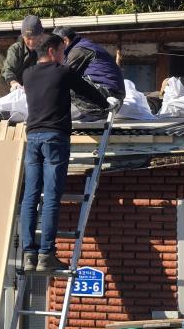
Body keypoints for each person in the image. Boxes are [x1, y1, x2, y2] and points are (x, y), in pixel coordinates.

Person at [21, 34, 119, 274]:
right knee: (51, 197)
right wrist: (108, 103)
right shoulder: (63, 72)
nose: (64, 57)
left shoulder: (27, 74)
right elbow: (88, 91)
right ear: (52, 51)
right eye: (61, 52)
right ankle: (46, 255)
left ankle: (29, 254)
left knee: (31, 197)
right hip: (55, 139)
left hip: (32, 138)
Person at [52, 26, 125, 117]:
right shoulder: (85, 45)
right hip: (111, 97)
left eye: (56, 46)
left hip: (108, 97)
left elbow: (61, 75)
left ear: (65, 40)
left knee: (63, 84)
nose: (56, 50)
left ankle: (52, 115)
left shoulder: (79, 50)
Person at [0, 14, 46, 99]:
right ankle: (8, 105)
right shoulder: (15, 49)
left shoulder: (46, 50)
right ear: (23, 36)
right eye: (28, 38)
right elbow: (8, 70)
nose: (31, 42)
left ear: (41, 35)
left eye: (34, 38)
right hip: (13, 92)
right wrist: (14, 83)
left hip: (35, 93)